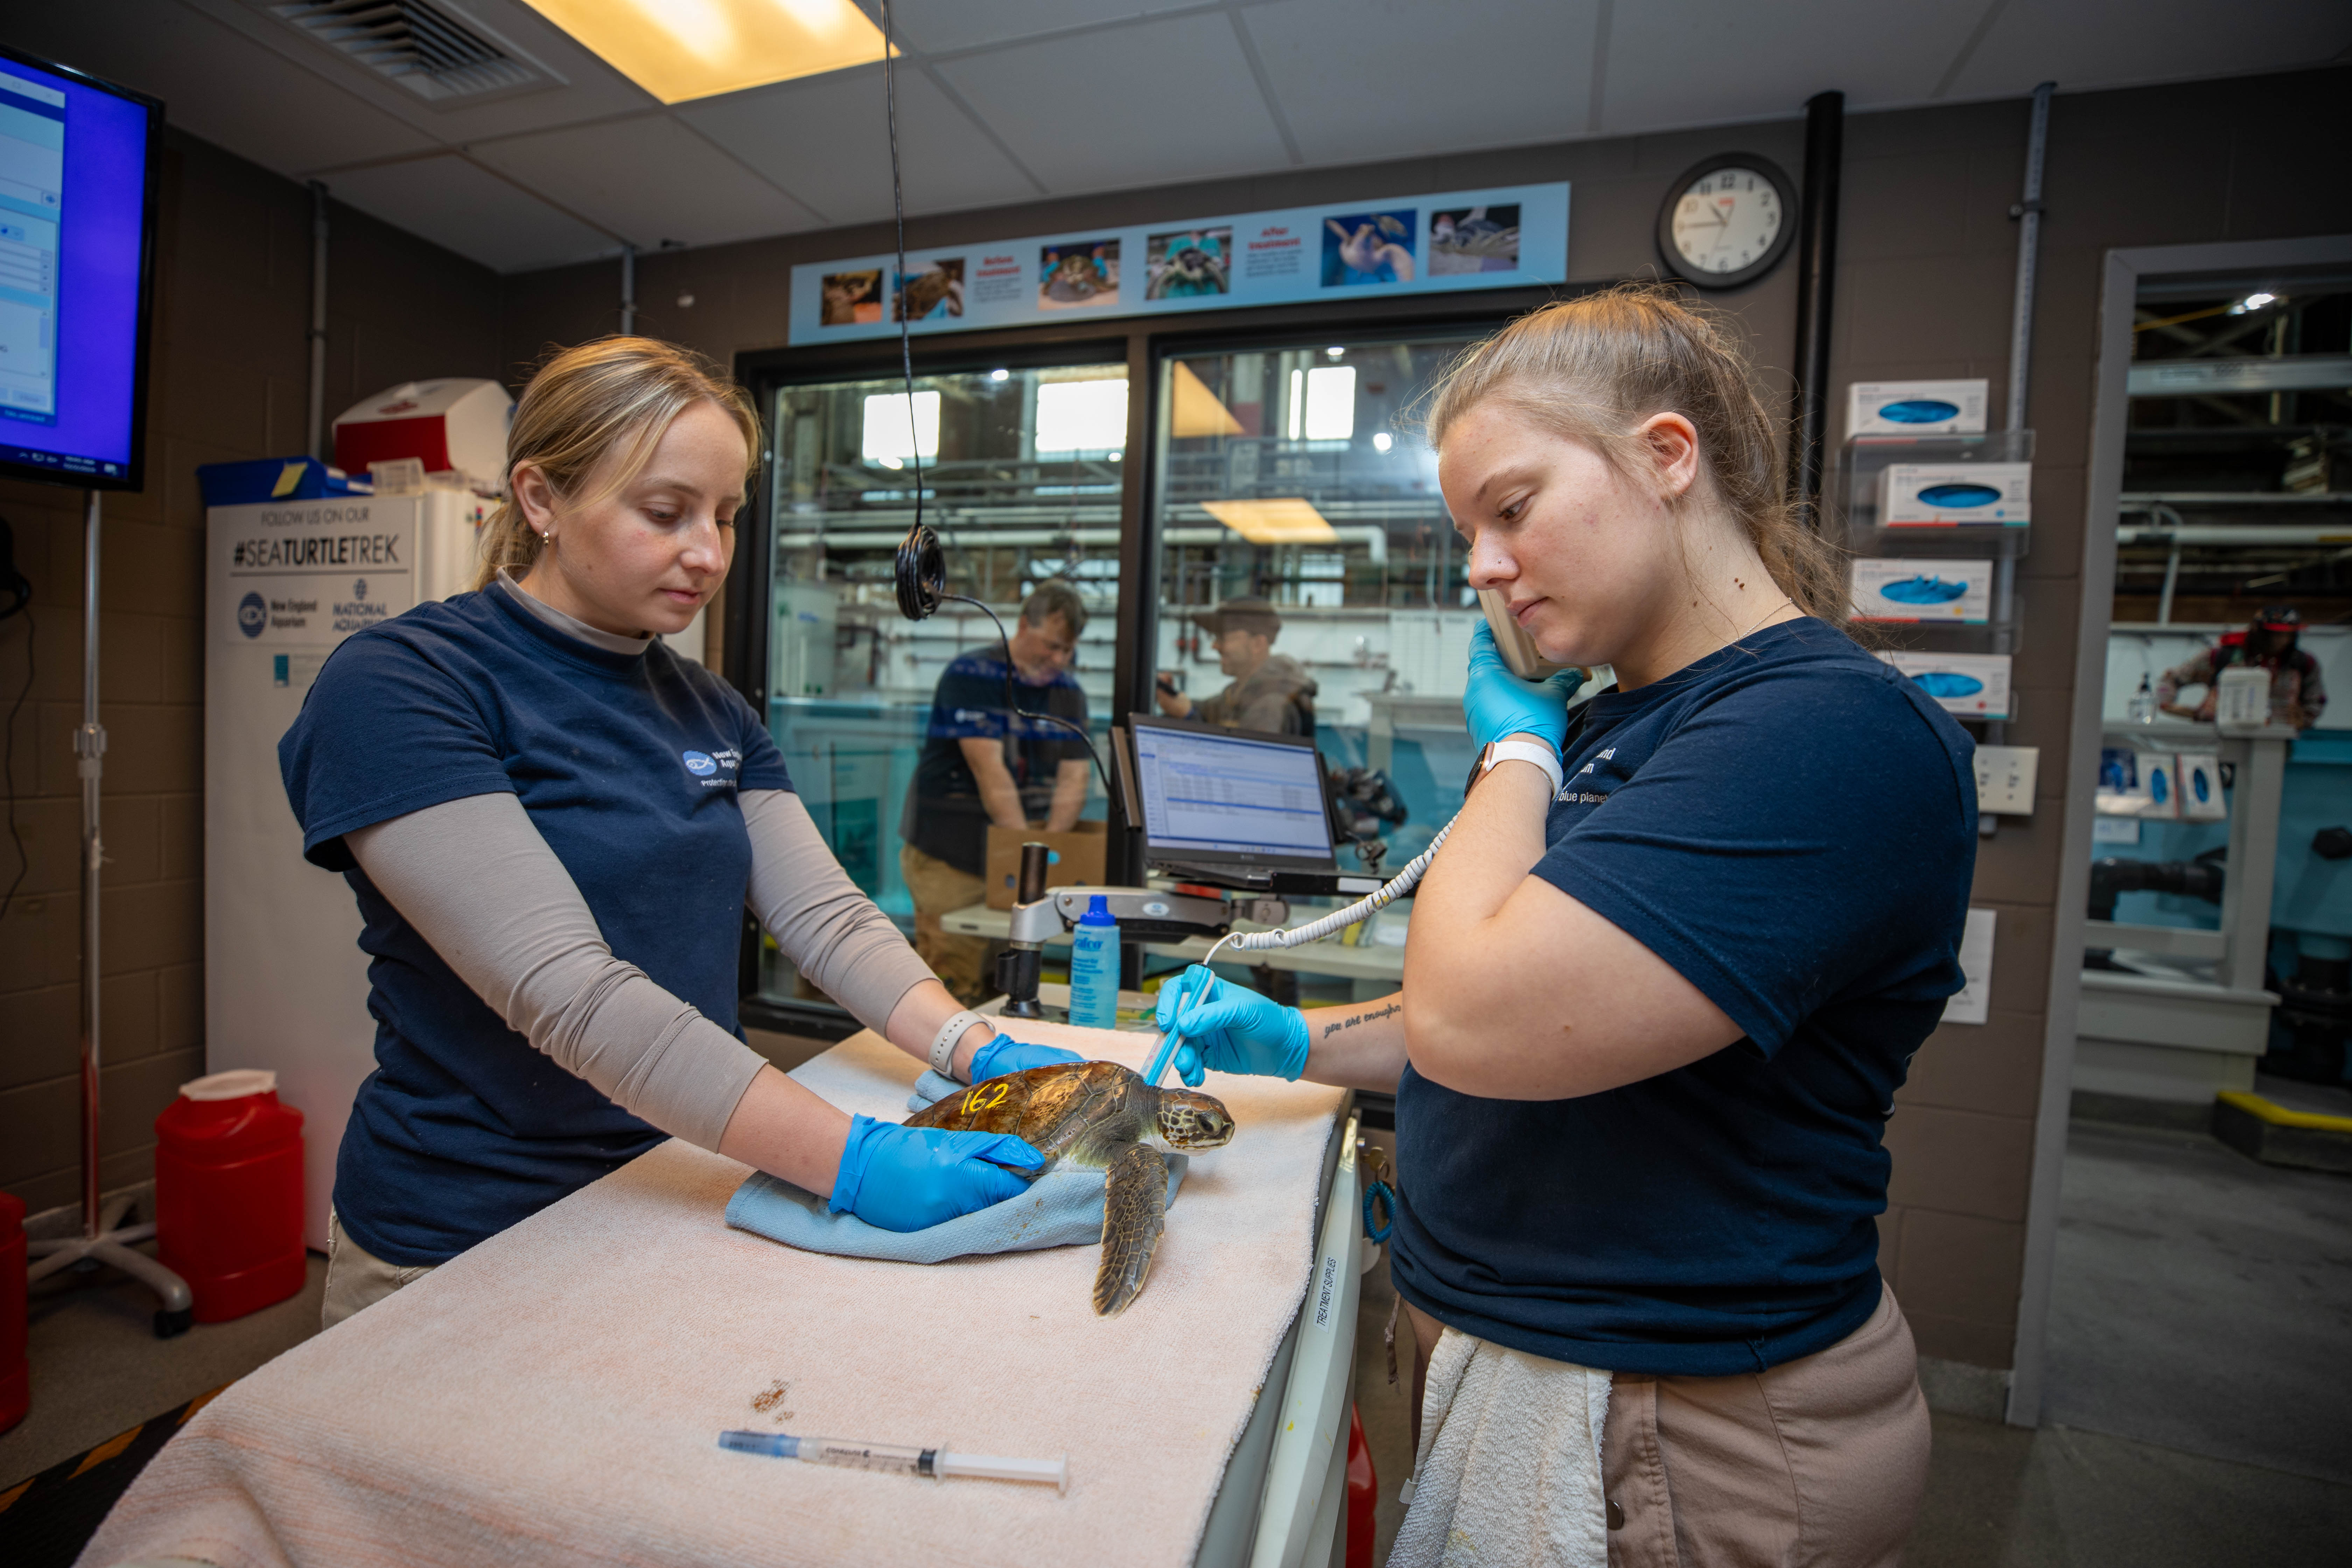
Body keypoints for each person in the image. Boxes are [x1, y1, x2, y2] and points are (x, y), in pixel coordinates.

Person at [1153, 288, 1975, 1564]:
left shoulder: (1822, 735)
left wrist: (1510, 757)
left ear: (1663, 458)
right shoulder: (1621, 722)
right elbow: (1529, 1001)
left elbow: (1477, 1015)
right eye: (1466, 529)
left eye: (1511, 508)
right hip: (1544, 1374)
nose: (1479, 564)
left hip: (1675, 1423)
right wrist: (1301, 1039)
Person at [279, 338, 1080, 1329]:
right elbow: (568, 991)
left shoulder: (709, 708)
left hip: (677, 1178)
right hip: (467, 1231)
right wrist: (853, 1158)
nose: (708, 552)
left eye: (727, 516)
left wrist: (974, 1048)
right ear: (539, 499)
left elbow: (826, 920)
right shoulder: (404, 686)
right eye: (666, 513)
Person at [900, 581, 1094, 1003]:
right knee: (954, 983)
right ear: (1024, 625)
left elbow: (1074, 779)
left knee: (1007, 983)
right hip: (954, 857)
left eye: (1068, 651)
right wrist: (1029, 856)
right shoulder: (972, 676)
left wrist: (1048, 854)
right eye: (1051, 645)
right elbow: (992, 775)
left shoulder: (1067, 694)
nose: (1059, 659)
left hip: (1018, 856)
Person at [1153, 597, 1317, 736]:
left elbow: (1240, 764)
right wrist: (1172, 698)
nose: (1215, 646)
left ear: (1257, 644)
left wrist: (1189, 716)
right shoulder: (1240, 694)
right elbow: (1209, 710)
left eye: (1223, 637)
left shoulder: (1271, 705)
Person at [2157, 604, 2327, 729]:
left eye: (2288, 635)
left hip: (2276, 742)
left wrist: (2302, 721)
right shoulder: (2222, 656)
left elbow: (2316, 700)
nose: (2282, 640)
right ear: (2258, 631)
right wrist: (2169, 705)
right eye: (2275, 634)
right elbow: (2171, 679)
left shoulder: (2302, 664)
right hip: (2219, 737)